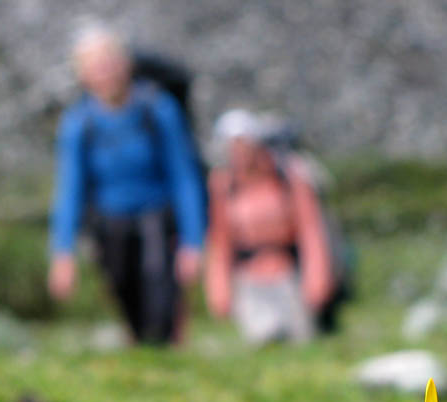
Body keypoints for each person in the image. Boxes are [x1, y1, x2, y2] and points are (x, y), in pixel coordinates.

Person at [47, 25, 205, 345]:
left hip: (157, 222)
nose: (105, 74)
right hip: (111, 227)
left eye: (109, 64)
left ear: (126, 65)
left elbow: (183, 176)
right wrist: (62, 252)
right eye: (95, 67)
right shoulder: (79, 124)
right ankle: (144, 359)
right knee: (128, 302)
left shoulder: (158, 109)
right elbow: (71, 189)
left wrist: (193, 241)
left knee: (161, 307)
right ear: (83, 75)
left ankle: (167, 356)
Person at [204, 110, 333, 345]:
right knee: (264, 342)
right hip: (248, 280)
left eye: (244, 144)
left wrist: (317, 279)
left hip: (289, 275)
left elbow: (311, 231)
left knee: (302, 343)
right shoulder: (223, 185)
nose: (239, 152)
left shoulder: (289, 177)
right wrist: (219, 289)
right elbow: (220, 240)